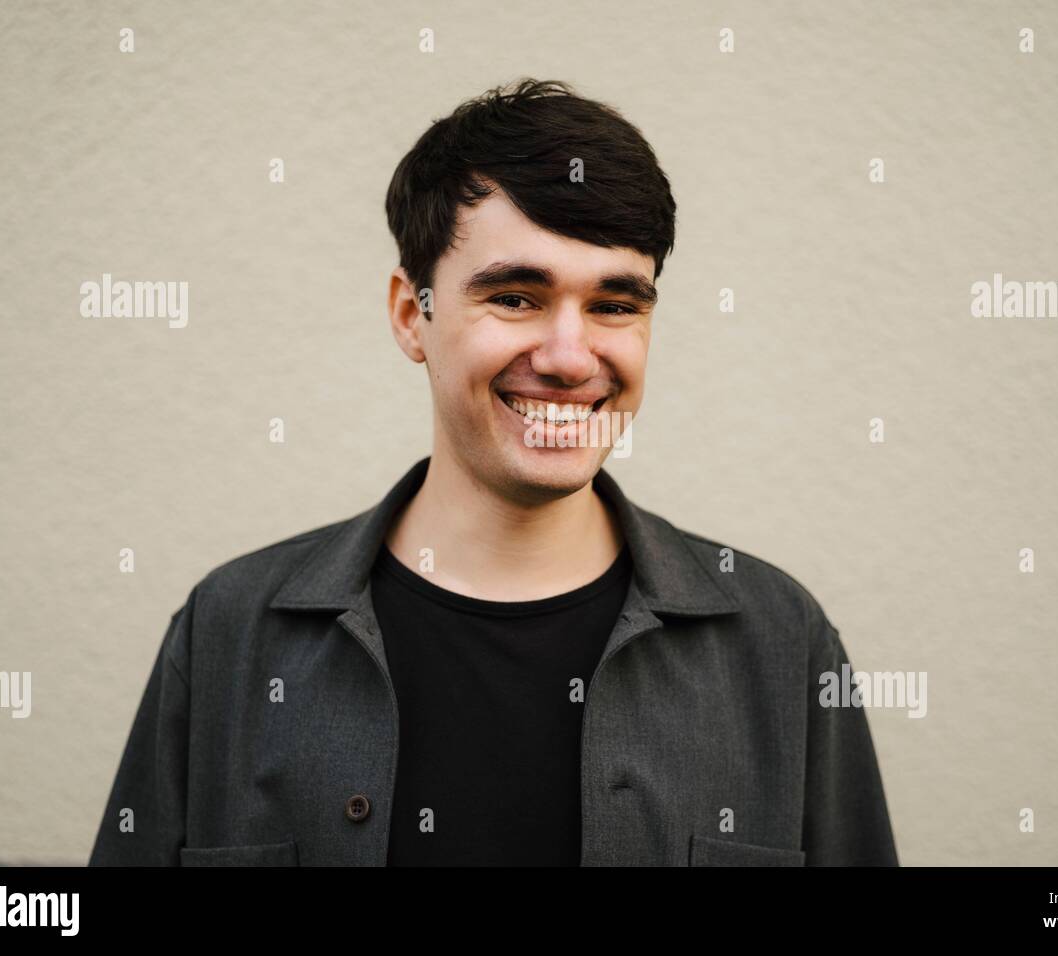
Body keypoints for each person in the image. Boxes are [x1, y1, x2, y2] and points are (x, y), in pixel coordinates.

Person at [89, 77, 898, 866]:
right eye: (515, 297)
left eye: (616, 305)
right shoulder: (231, 633)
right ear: (414, 315)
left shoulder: (781, 643)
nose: (569, 357)